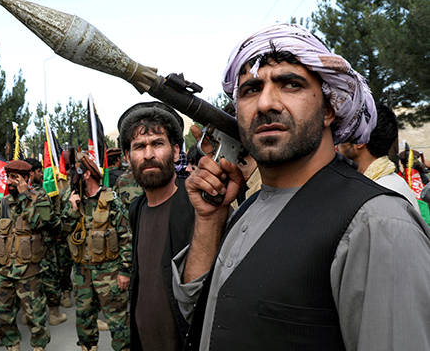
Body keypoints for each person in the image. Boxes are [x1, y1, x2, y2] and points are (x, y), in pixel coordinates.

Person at [175, 23, 430, 350]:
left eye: (290, 84)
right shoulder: (250, 205)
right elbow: (199, 313)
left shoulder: (377, 223)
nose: (266, 103)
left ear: (328, 109)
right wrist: (210, 221)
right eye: (251, 89)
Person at [117, 102, 194, 350]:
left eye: (157, 143)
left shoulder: (199, 206)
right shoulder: (136, 209)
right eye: (139, 146)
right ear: (128, 158)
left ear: (175, 151)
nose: (148, 154)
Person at [60, 152, 131, 351]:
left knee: (118, 321)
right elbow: (61, 232)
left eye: (77, 173)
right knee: (84, 320)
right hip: (82, 272)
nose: (73, 178)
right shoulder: (72, 200)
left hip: (108, 271)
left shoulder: (111, 200)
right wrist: (72, 209)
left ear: (88, 175)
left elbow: (126, 237)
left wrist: (125, 271)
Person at [0, 160, 59, 351]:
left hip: (29, 270)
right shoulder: (3, 203)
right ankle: (12, 345)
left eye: (15, 178)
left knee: (35, 316)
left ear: (27, 178)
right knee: (4, 315)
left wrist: (24, 197)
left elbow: (43, 224)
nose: (10, 182)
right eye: (8, 177)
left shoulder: (40, 199)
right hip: (5, 269)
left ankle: (39, 347)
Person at [338, 102, 421, 213]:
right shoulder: (384, 184)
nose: (338, 138)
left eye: (345, 131)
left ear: (360, 140)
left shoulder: (383, 194)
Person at [23, 157, 68, 326]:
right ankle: (54, 313)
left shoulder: (13, 195)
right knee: (50, 277)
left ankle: (26, 315)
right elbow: (48, 221)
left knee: (28, 279)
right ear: (31, 173)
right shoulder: (39, 194)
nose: (41, 174)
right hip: (44, 243)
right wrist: (60, 226)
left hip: (25, 246)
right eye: (39, 171)